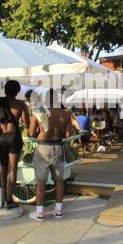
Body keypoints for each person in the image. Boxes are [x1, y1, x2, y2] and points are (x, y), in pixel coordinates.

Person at [29, 89, 72, 221]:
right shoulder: (65, 114)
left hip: (43, 147)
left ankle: (40, 213)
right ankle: (58, 211)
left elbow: (31, 133)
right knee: (59, 180)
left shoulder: (38, 112)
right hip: (58, 147)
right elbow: (68, 135)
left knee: (40, 181)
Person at [0, 80, 30, 210]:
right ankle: (9, 200)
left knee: (3, 168)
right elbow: (27, 124)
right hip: (14, 136)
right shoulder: (21, 104)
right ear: (17, 91)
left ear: (5, 90)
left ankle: (2, 198)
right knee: (12, 170)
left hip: (1, 137)